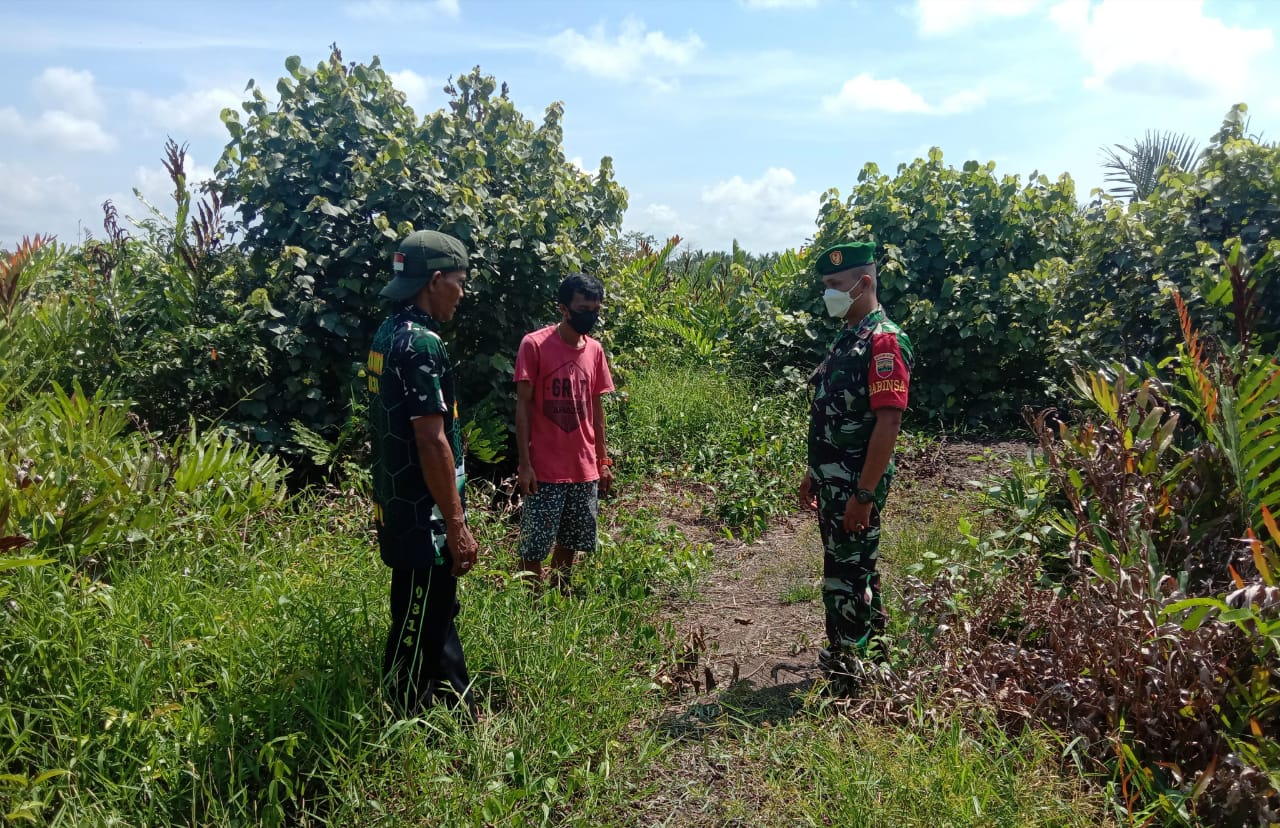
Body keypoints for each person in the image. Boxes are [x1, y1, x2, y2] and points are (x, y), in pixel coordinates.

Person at [366, 229, 479, 719]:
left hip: (400, 501)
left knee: (436, 608)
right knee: (416, 616)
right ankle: (404, 714)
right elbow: (430, 439)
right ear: (435, 281)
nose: (462, 293)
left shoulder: (388, 333)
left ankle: (458, 702)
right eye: (458, 281)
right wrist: (454, 523)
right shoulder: (421, 344)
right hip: (421, 511)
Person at [799, 240, 913, 690]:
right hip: (835, 481)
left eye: (835, 285)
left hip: (854, 486)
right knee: (852, 566)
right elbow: (833, 412)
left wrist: (864, 495)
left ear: (863, 283)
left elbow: (888, 423)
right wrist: (814, 470)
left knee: (845, 575)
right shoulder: (850, 337)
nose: (828, 293)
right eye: (826, 285)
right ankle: (872, 653)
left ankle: (850, 673)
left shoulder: (884, 341)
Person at [513, 272, 615, 593]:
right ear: (564, 308)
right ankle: (530, 605)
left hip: (583, 467)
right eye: (584, 308)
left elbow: (596, 411)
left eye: (596, 309)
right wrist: (525, 464)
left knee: (570, 540)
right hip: (544, 468)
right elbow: (524, 408)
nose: (591, 316)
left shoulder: (595, 351)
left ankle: (559, 597)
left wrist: (602, 460)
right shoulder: (535, 345)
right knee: (534, 546)